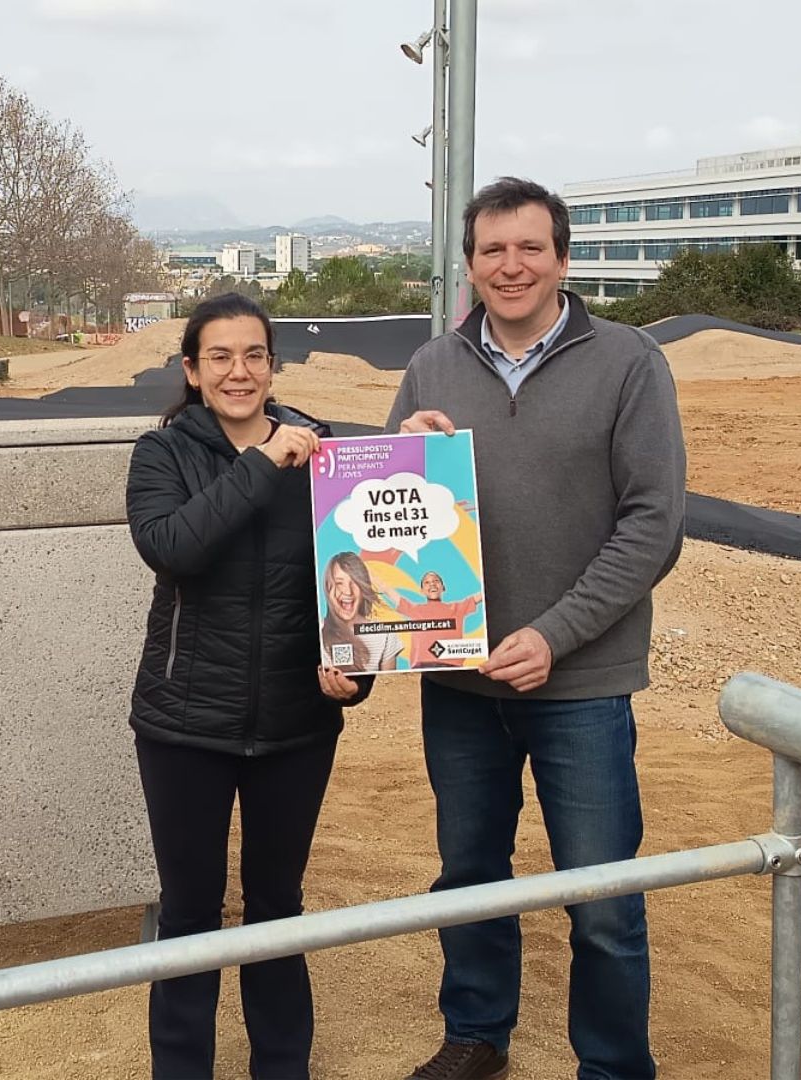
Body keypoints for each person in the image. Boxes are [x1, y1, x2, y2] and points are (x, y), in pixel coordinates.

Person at [387, 177, 688, 1080]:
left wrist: (555, 634)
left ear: (562, 257)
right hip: (461, 684)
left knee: (600, 896)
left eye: (529, 248)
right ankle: (476, 1034)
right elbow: (386, 515)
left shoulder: (630, 363)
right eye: (492, 251)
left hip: (581, 688)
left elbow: (653, 524)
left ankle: (613, 1064)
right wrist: (405, 448)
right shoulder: (431, 368)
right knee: (469, 874)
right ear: (469, 265)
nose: (510, 266)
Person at [126, 292, 370, 1080]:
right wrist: (265, 462)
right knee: (191, 915)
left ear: (274, 364)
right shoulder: (161, 454)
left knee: (277, 911)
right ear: (193, 371)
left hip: (297, 727)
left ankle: (283, 1068)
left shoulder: (325, 455)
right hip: (184, 724)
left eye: (256, 355)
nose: (241, 372)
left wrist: (353, 677)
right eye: (221, 357)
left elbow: (354, 584)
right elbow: (174, 548)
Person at [320, 550, 408, 674]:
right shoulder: (316, 631)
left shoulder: (385, 635)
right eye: (339, 583)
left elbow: (388, 684)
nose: (348, 591)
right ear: (328, 588)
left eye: (355, 582)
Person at [394, 571, 482, 668]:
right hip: (423, 665)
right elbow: (391, 593)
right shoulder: (415, 609)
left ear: (443, 587)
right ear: (422, 590)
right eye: (427, 582)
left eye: (436, 581)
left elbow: (479, 596)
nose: (432, 584)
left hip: (451, 665)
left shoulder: (457, 608)